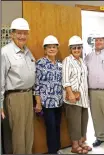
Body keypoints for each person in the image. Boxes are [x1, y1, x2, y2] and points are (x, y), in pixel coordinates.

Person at [1, 18, 35, 154]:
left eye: (25, 33)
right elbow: (0, 79)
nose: (22, 36)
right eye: (19, 33)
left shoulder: (28, 52)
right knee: (18, 134)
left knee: (28, 132)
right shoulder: (5, 52)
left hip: (27, 95)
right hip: (14, 97)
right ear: (12, 34)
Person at [34, 35, 63, 154]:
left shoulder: (60, 64)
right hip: (47, 103)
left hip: (59, 102)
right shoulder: (40, 63)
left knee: (57, 127)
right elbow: (36, 84)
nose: (52, 49)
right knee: (50, 128)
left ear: (57, 49)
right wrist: (38, 103)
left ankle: (56, 149)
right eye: (49, 47)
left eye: (54, 47)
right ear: (45, 49)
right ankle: (52, 151)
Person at [62, 36, 91, 154]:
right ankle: (75, 145)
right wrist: (70, 94)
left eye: (79, 47)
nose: (76, 50)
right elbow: (65, 80)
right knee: (74, 123)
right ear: (70, 49)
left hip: (83, 98)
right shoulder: (67, 61)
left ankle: (81, 142)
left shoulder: (82, 61)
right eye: (74, 48)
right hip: (73, 99)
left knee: (84, 121)